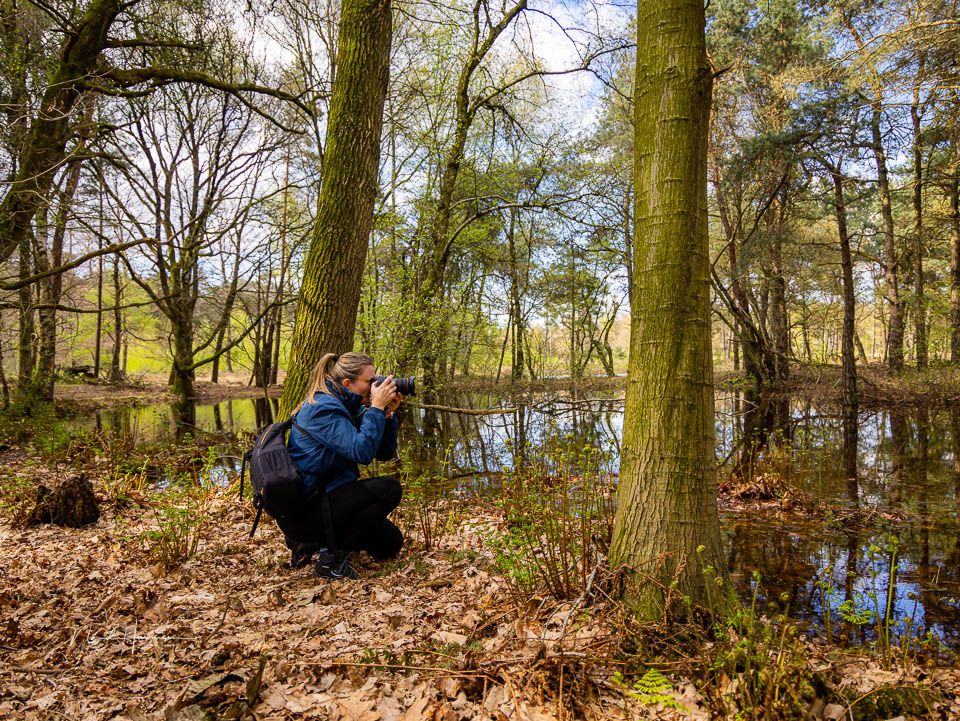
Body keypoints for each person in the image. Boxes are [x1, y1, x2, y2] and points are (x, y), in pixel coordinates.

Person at [280, 351, 404, 578]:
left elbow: (384, 453)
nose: (376, 385)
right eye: (370, 381)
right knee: (390, 489)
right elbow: (362, 452)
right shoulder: (323, 409)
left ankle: (314, 543)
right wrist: (375, 408)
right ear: (348, 383)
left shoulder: (346, 404)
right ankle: (330, 561)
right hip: (307, 510)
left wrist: (386, 415)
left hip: (327, 498)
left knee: (390, 544)